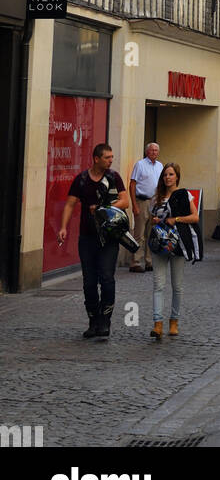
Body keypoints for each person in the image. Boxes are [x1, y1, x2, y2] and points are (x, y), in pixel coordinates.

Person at [57, 143, 131, 339]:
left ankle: (105, 321)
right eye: (107, 157)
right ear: (96, 158)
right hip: (87, 238)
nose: (111, 160)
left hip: (109, 238)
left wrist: (102, 207)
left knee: (106, 279)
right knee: (89, 282)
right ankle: (93, 321)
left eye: (112, 157)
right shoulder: (81, 180)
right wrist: (63, 227)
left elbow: (125, 202)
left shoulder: (113, 177)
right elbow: (70, 204)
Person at [149, 162, 200, 340]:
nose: (167, 178)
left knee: (177, 286)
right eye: (165, 175)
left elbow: (195, 217)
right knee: (158, 285)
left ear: (177, 176)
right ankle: (157, 324)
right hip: (160, 244)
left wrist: (176, 219)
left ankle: (174, 321)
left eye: (171, 174)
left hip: (178, 244)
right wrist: (156, 221)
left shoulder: (184, 195)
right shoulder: (156, 198)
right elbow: (152, 217)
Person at [128, 142, 163, 272]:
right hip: (142, 201)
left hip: (155, 203)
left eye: (156, 150)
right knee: (139, 234)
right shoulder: (140, 165)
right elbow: (132, 184)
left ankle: (149, 261)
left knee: (151, 233)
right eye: (152, 150)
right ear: (147, 152)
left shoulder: (160, 166)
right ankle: (135, 262)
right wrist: (134, 205)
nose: (154, 152)